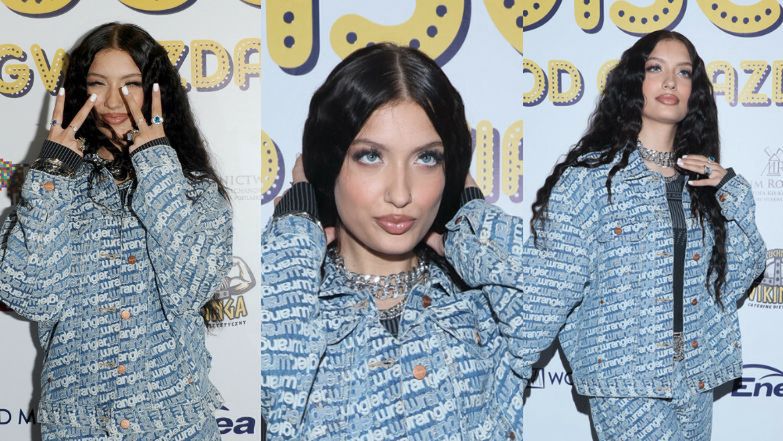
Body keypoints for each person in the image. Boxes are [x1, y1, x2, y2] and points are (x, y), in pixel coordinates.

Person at [448, 30, 766, 440]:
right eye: (656, 68)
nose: (671, 81)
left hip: (695, 377)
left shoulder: (702, 186)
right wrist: (510, 371)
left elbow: (736, 277)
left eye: (684, 72)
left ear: (694, 92)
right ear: (635, 82)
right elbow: (550, 288)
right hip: (625, 384)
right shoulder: (591, 181)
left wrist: (733, 193)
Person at [261, 43, 528, 440]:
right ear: (328, 163)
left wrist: (474, 221)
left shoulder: (481, 305)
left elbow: (543, 306)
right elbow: (275, 386)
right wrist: (295, 228)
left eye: (427, 158)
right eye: (371, 156)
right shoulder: (297, 302)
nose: (401, 194)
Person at [0, 23, 232, 439]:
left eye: (131, 85)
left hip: (175, 427)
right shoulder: (54, 186)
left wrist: (156, 165)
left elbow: (191, 290)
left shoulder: (194, 191)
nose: (112, 101)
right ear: (79, 91)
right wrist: (53, 173)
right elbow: (31, 297)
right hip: (77, 429)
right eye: (97, 84)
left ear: (157, 90)